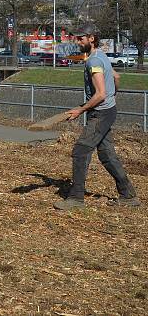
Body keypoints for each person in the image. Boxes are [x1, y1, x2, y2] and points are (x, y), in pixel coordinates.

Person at [54, 24, 140, 210]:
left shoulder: (93, 62)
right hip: (107, 110)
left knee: (80, 151)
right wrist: (113, 95)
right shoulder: (101, 56)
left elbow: (100, 94)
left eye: (80, 38)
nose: (77, 42)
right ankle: (128, 195)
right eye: (76, 38)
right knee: (107, 154)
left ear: (91, 38)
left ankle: (76, 199)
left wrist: (81, 110)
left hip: (100, 114)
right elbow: (116, 77)